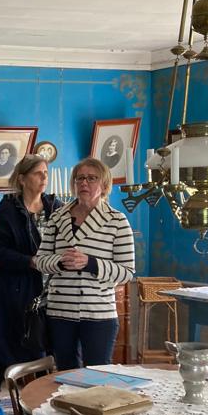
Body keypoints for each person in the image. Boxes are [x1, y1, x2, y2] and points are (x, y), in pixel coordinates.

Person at [0, 155, 60, 415]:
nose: (44, 178)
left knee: (44, 345)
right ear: (22, 179)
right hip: (15, 289)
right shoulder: (9, 211)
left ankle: (39, 401)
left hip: (52, 289)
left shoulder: (56, 208)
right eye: (37, 173)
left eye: (46, 173)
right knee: (10, 343)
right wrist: (29, 261)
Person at [32, 158, 135, 370]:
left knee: (98, 374)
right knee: (65, 373)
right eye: (79, 178)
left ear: (104, 185)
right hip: (60, 311)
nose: (84, 183)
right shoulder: (57, 217)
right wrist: (60, 261)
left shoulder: (117, 221)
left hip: (98, 312)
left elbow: (126, 272)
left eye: (91, 178)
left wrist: (90, 263)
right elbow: (40, 261)